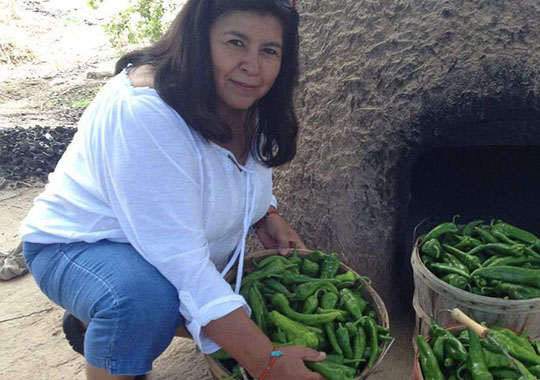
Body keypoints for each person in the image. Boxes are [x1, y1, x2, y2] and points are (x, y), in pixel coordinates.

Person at [19, 0, 326, 379]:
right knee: (144, 301)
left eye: (269, 50)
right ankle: (115, 318)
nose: (253, 66)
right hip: (82, 243)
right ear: (200, 39)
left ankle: (102, 321)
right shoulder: (147, 111)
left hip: (157, 240)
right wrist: (268, 363)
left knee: (246, 303)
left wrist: (267, 214)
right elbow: (182, 264)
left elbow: (240, 175)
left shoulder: (243, 95)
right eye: (235, 42)